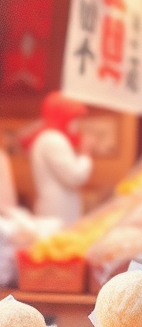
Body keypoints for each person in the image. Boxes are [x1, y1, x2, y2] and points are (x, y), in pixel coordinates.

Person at [27, 93, 93, 227]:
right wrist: (85, 153)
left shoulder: (49, 137)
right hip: (57, 213)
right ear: (63, 116)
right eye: (74, 117)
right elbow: (75, 177)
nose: (77, 123)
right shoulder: (54, 139)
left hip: (57, 211)